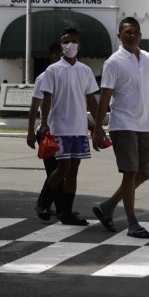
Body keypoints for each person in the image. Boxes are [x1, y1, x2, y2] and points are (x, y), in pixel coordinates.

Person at [90, 17, 149, 237]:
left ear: (141, 35)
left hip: (143, 125)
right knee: (130, 172)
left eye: (136, 32)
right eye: (128, 32)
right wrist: (97, 129)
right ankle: (132, 223)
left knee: (144, 172)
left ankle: (108, 207)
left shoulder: (148, 58)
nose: (132, 35)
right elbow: (104, 97)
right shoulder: (113, 62)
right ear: (119, 36)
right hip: (122, 124)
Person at [36, 27, 99, 225]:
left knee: (74, 170)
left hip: (79, 129)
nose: (69, 45)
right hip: (60, 127)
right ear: (61, 45)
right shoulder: (52, 70)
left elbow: (92, 100)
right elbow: (46, 99)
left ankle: (66, 212)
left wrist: (98, 125)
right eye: (65, 41)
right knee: (63, 168)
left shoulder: (85, 70)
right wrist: (44, 123)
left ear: (79, 46)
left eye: (73, 41)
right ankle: (43, 201)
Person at [26, 42, 64, 219]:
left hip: (64, 130)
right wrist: (31, 131)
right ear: (53, 56)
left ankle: (52, 206)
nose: (60, 57)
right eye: (57, 54)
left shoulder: (67, 75)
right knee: (54, 171)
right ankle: (43, 205)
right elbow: (35, 105)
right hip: (47, 131)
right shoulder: (44, 77)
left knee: (60, 171)